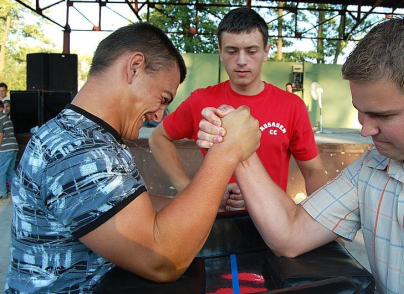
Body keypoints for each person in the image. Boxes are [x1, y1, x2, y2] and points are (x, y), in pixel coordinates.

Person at [198, 17, 404, 292]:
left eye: (383, 115)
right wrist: (240, 148)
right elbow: (290, 235)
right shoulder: (374, 166)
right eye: (360, 112)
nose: (365, 130)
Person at [5, 23, 261, 293]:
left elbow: (126, 207)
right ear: (135, 67)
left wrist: (204, 200)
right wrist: (225, 154)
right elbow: (163, 261)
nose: (159, 115)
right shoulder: (77, 150)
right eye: (163, 98)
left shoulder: (84, 136)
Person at [149, 8, 326, 211]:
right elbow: (158, 138)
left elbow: (314, 171)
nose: (241, 61)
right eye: (232, 51)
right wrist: (188, 189)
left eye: (251, 51)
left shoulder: (292, 106)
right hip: (213, 219)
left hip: (273, 221)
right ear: (221, 52)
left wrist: (321, 221)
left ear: (266, 52)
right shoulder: (201, 100)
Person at [0, 100, 18, 199]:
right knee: (10, 171)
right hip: (13, 147)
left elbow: (0, 135)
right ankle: (16, 191)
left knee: (1, 171)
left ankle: (2, 192)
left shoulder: (0, 119)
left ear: (0, 108)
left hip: (5, 149)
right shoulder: (6, 119)